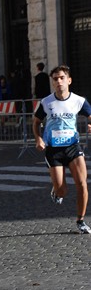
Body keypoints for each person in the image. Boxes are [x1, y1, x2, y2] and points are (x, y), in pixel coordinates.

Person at [32, 64, 91, 235]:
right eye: (55, 79)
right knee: (62, 190)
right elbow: (36, 122)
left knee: (82, 184)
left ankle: (80, 220)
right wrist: (38, 138)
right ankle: (56, 190)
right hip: (53, 150)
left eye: (62, 78)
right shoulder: (46, 102)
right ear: (53, 83)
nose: (59, 81)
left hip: (73, 147)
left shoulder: (79, 101)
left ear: (69, 80)